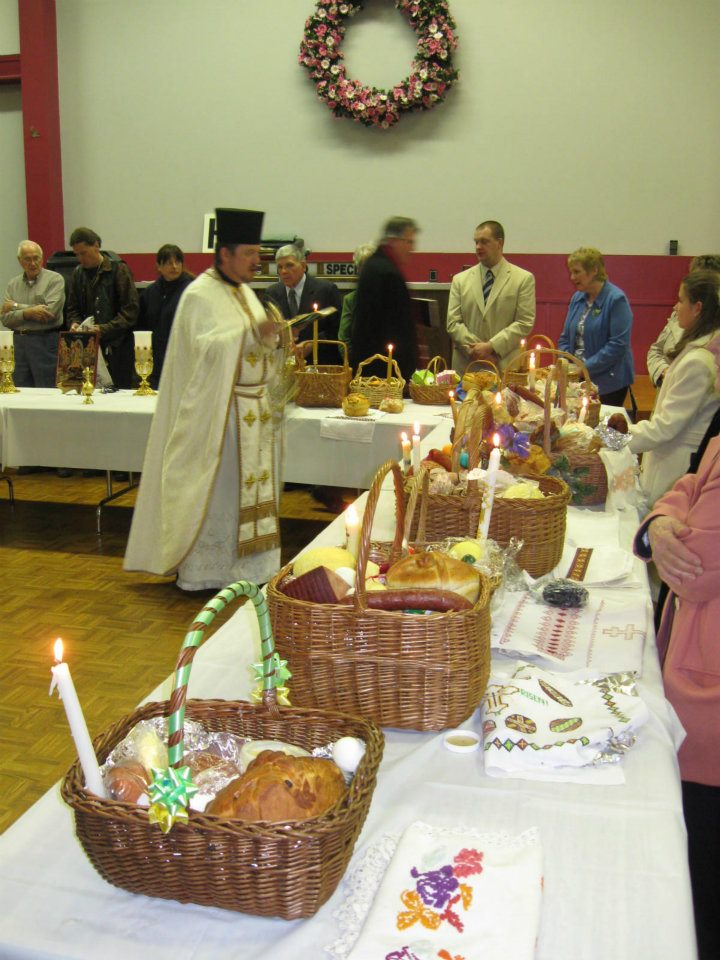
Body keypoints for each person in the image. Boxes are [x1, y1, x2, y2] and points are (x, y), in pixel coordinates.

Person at [124, 208, 292, 591]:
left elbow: (255, 347)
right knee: (220, 495)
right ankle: (209, 571)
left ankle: (252, 570)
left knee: (248, 494)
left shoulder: (246, 293)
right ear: (225, 254)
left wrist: (276, 338)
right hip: (220, 418)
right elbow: (202, 355)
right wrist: (250, 333)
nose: (256, 261)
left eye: (257, 253)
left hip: (254, 413)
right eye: (249, 253)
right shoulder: (199, 295)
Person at [633, 333, 720, 960]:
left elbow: (696, 561)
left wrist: (669, 523)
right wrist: (662, 517)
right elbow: (690, 481)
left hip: (708, 691)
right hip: (696, 654)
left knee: (696, 871)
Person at [627, 270, 720, 508]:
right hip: (671, 456)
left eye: (680, 300)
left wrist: (619, 440)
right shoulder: (697, 350)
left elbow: (666, 427)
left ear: (697, 308)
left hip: (676, 465)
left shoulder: (698, 362)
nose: (676, 307)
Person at [445, 220, 535, 375]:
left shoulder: (523, 279)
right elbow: (453, 323)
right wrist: (477, 350)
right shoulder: (460, 280)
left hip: (503, 366)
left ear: (499, 243)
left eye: (484, 242)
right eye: (476, 242)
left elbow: (524, 322)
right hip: (467, 366)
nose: (478, 247)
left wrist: (492, 346)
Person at [558, 247, 634, 406]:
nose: (572, 277)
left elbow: (618, 345)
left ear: (594, 270)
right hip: (577, 379)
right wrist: (567, 364)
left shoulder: (616, 299)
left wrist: (584, 368)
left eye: (577, 272)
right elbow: (565, 338)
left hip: (608, 383)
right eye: (571, 272)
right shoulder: (577, 298)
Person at [65, 227, 139, 389]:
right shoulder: (78, 274)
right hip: (87, 348)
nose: (80, 258)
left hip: (116, 348)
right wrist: (74, 323)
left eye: (83, 253)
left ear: (96, 245)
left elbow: (131, 311)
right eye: (77, 254)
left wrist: (104, 329)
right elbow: (72, 308)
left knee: (118, 392)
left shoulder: (118, 270)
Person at [350, 216, 419, 381]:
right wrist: (407, 369)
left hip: (372, 366)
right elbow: (396, 328)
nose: (412, 248)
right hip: (383, 372)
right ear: (394, 240)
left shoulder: (375, 264)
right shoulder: (386, 272)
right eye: (409, 242)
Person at [647, 254, 720, 388]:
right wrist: (665, 372)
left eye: (703, 283)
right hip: (668, 388)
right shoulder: (680, 313)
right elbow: (656, 351)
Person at [264, 243, 342, 365]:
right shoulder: (271, 293)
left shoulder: (326, 290)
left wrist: (312, 344)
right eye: (280, 267)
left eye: (289, 265)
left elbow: (338, 330)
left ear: (303, 266)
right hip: (283, 365)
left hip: (319, 363)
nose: (284, 271)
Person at [2, 240, 65, 387]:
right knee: (20, 391)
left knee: (47, 391)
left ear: (42, 259)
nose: (33, 263)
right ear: (20, 261)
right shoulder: (13, 284)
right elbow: (5, 318)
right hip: (18, 345)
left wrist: (16, 306)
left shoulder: (55, 279)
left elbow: (49, 312)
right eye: (27, 259)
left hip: (45, 342)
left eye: (36, 258)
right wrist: (28, 313)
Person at [138, 244, 194, 387]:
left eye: (178, 262)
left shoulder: (192, 290)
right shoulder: (150, 293)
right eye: (169, 263)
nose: (174, 267)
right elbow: (142, 325)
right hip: (156, 362)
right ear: (159, 266)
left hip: (183, 359)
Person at [337, 241, 375, 360]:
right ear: (358, 269)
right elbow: (343, 340)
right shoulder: (350, 300)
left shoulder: (392, 297)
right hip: (358, 365)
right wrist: (356, 363)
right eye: (364, 266)